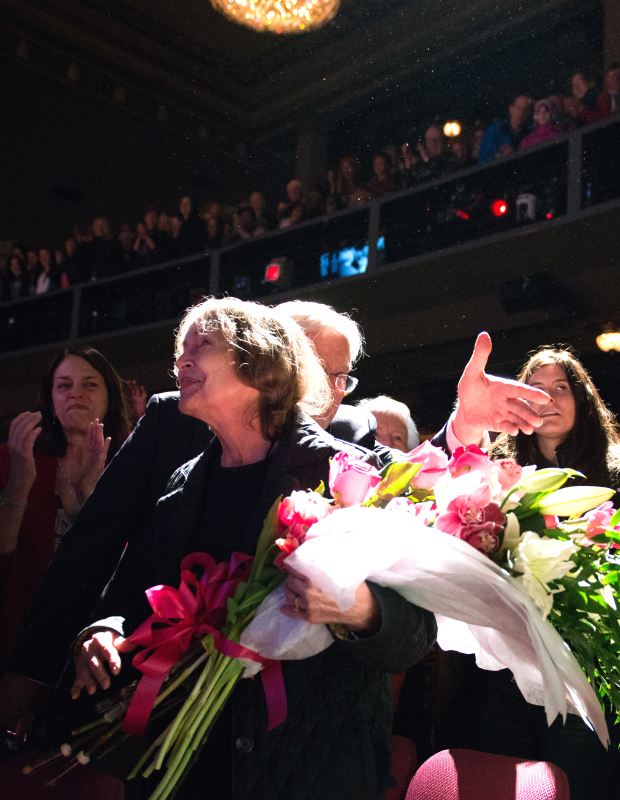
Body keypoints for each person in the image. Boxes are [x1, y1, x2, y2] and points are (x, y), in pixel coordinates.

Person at [0, 326, 548, 732]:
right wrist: (65, 650)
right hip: (167, 723)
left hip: (297, 735)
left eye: (340, 376)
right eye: (309, 361)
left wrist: (464, 426)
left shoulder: (346, 449)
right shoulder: (175, 428)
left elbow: (401, 492)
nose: (324, 389)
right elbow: (105, 559)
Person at [68, 298, 437, 799]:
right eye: (181, 350)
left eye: (201, 345)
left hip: (306, 768)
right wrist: (105, 631)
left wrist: (360, 609)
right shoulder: (183, 485)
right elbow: (129, 595)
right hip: (189, 765)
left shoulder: (343, 475)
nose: (181, 361)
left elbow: (415, 635)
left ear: (258, 363)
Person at [437, 346, 620, 800]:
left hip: (586, 672)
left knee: (578, 784)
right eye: (537, 390)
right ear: (518, 403)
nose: (550, 399)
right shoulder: (496, 474)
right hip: (507, 671)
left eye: (563, 388)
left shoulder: (616, 475)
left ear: (584, 400)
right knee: (506, 783)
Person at [0, 346, 131, 671]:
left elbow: (130, 571)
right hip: (12, 643)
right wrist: (20, 481)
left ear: (110, 396)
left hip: (94, 653)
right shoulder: (12, 458)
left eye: (90, 383)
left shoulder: (130, 470)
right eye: (64, 385)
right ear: (50, 400)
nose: (76, 393)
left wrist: (89, 495)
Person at [478, 95, 533, 162]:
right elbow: (483, 159)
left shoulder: (531, 134)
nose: (521, 112)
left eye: (525, 109)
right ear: (511, 109)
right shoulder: (494, 131)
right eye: (518, 108)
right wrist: (496, 160)